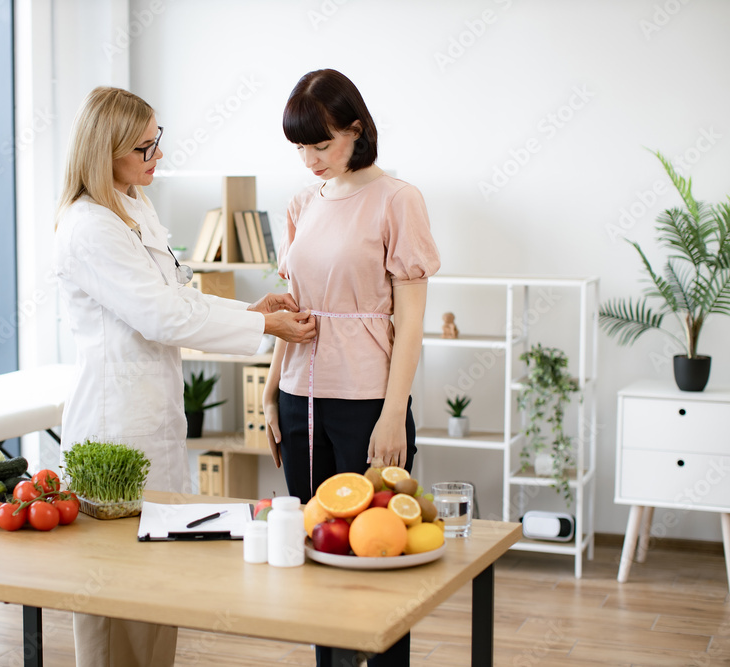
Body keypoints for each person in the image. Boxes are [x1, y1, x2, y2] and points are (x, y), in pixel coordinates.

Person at [53, 86, 316, 667]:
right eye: (145, 148)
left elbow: (178, 294)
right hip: (113, 423)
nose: (158, 158)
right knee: (111, 585)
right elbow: (161, 316)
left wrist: (253, 312)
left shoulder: (132, 205)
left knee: (156, 576)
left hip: (154, 412)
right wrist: (266, 329)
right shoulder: (88, 227)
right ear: (106, 150)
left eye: (157, 143)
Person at [262, 69, 441, 667]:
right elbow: (293, 310)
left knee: (379, 552)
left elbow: (410, 323)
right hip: (297, 395)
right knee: (317, 548)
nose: (310, 160)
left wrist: (394, 416)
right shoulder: (300, 203)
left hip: (368, 399)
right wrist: (269, 395)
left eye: (322, 144)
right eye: (300, 149)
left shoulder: (397, 199)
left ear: (356, 129)